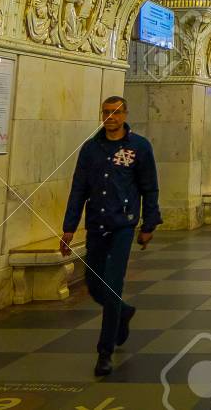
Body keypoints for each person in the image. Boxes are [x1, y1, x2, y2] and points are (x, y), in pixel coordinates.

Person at [60, 96, 161, 377]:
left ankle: (104, 352)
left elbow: (149, 187)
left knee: (113, 284)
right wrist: (69, 226)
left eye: (116, 112)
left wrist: (149, 224)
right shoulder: (91, 149)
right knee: (94, 284)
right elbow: (78, 189)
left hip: (123, 225)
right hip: (96, 224)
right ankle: (123, 311)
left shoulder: (139, 147)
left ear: (125, 114)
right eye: (106, 112)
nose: (111, 117)